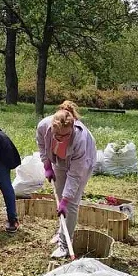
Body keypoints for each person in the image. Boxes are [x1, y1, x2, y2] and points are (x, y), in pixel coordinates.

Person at [36, 101, 97, 258]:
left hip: (82, 162)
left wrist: (65, 200)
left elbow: (75, 175)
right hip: (59, 160)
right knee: (59, 192)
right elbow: (41, 145)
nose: (61, 138)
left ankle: (64, 245)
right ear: (52, 128)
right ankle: (61, 231)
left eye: (65, 135)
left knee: (70, 204)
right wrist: (47, 165)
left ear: (72, 127)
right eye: (58, 135)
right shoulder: (44, 127)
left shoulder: (80, 139)